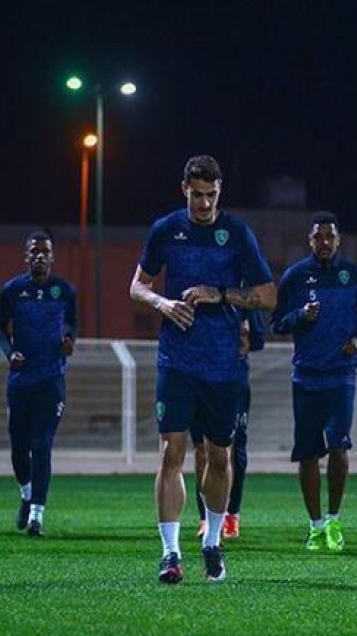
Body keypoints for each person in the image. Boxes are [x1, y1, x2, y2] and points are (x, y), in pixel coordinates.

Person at [129, 155, 276, 583]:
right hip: (177, 359)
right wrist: (162, 303)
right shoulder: (166, 230)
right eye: (197, 195)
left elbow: (268, 296)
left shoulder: (237, 233)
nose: (205, 204)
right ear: (184, 189)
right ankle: (171, 553)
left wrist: (221, 293)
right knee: (171, 452)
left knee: (218, 455)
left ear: (220, 190)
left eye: (211, 195)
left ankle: (212, 542)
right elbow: (137, 285)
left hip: (223, 364)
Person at [272, 212, 357, 551]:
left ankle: (333, 519)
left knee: (338, 447)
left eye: (330, 237)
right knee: (307, 454)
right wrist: (301, 315)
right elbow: (276, 322)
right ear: (310, 240)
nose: (325, 242)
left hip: (341, 375)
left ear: (339, 240)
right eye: (319, 237)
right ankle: (315, 525)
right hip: (305, 377)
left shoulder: (354, 276)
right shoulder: (295, 277)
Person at [0, 231, 78, 537]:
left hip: (51, 379)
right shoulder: (12, 290)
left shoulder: (64, 290)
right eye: (34, 251)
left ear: (52, 256)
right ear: (26, 256)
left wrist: (69, 339)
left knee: (41, 444)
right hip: (20, 381)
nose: (39, 256)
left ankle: (37, 515)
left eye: (45, 251)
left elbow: (72, 323)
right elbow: (1, 330)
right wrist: (10, 353)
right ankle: (26, 494)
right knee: (19, 447)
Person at [192, 311, 266, 540]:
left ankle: (231, 513)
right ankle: (206, 517)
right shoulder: (196, 298)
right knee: (201, 449)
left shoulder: (241, 300)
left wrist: (242, 337)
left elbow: (258, 338)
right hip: (198, 378)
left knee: (233, 449)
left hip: (233, 381)